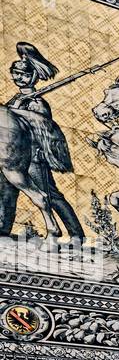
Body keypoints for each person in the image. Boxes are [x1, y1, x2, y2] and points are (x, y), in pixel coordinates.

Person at [4, 42, 82, 239]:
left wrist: (16, 110)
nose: (18, 78)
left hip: (34, 154)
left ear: (34, 76)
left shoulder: (37, 102)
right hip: (14, 153)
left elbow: (43, 126)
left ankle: (76, 234)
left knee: (51, 195)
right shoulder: (15, 100)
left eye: (24, 75)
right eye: (16, 73)